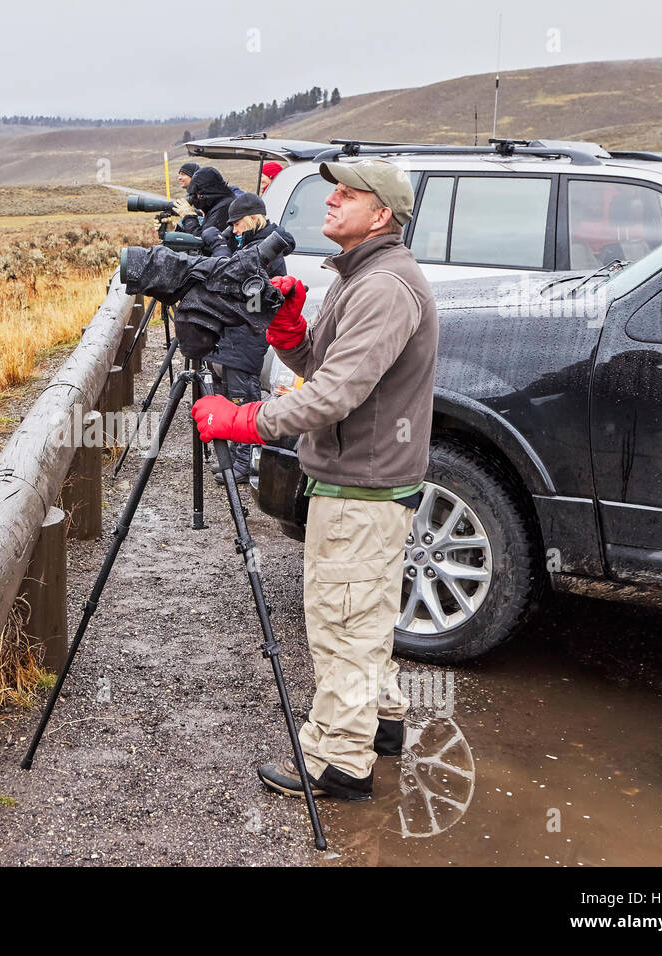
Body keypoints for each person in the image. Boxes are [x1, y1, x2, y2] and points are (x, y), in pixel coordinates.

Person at [191, 159, 438, 801]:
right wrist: (291, 331)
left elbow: (333, 396)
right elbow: (329, 368)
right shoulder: (364, 277)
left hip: (361, 489)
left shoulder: (383, 288)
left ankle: (339, 761)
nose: (331, 200)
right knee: (365, 615)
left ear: (380, 215)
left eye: (347, 194)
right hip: (367, 483)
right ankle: (382, 724)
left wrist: (243, 420)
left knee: (341, 626)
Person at [202, 192, 295, 484]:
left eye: (237, 224)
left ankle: (246, 462)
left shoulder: (266, 250)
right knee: (231, 396)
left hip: (248, 333)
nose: (234, 230)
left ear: (253, 219)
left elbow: (231, 277)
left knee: (243, 398)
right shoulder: (254, 242)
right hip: (237, 332)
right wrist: (227, 241)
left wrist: (219, 246)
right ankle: (236, 458)